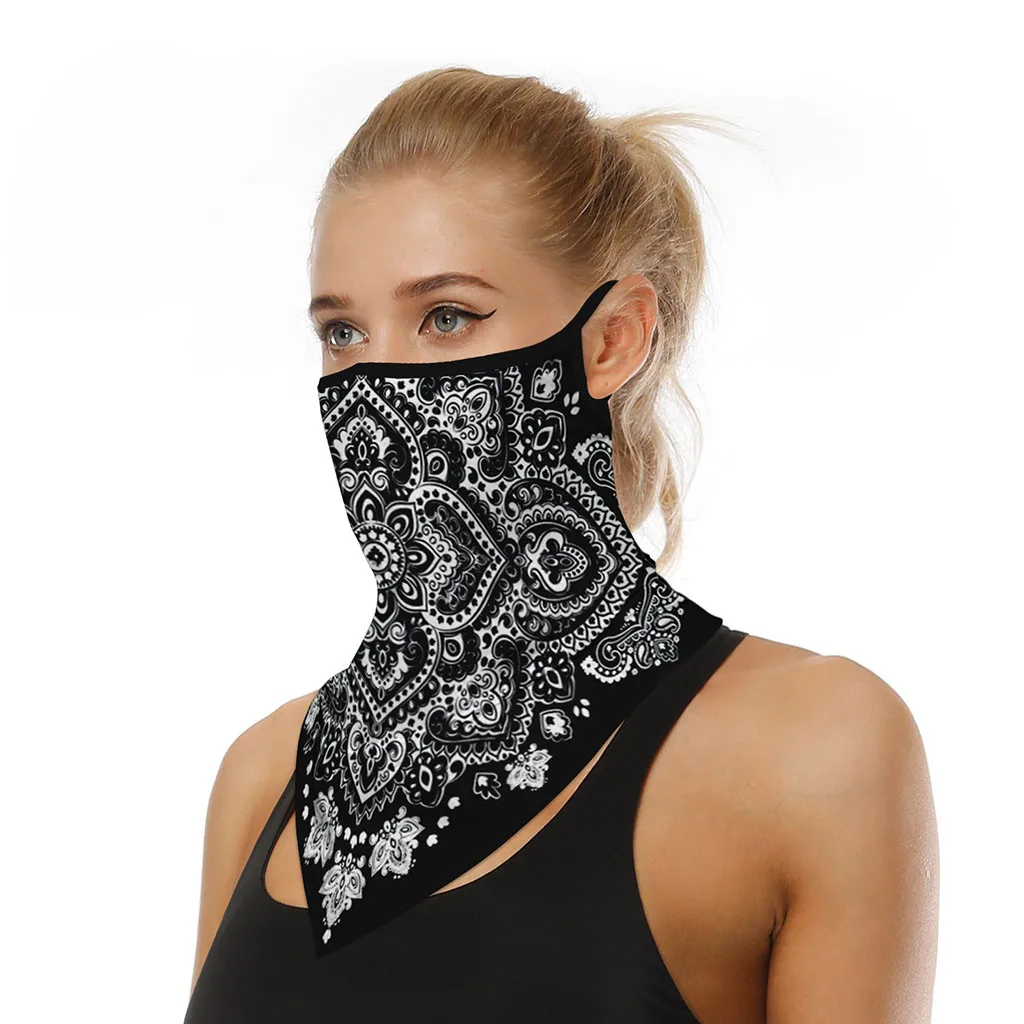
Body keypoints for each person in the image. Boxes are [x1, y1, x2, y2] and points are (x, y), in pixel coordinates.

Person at [184, 67, 939, 1023]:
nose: (375, 381)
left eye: (446, 317)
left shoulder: (814, 749)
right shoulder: (265, 775)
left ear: (613, 339)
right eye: (342, 333)